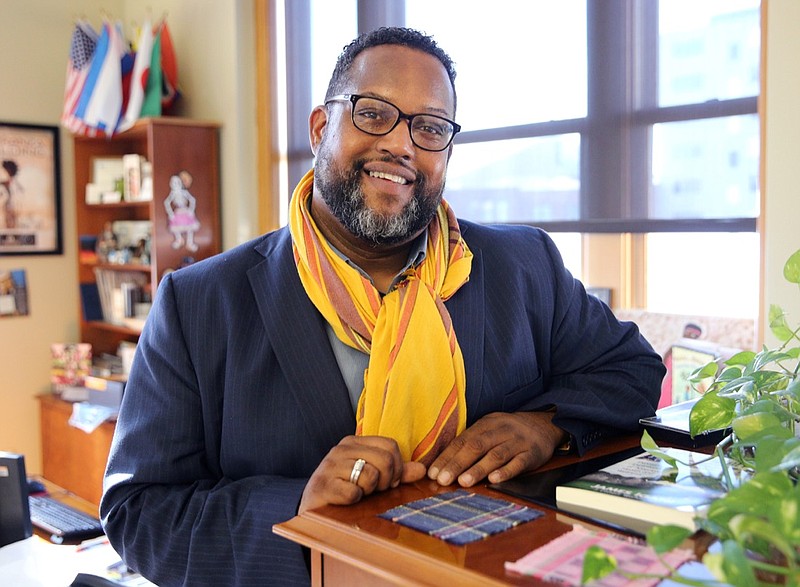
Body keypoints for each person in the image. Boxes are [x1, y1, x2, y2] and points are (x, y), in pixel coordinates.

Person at [100, 27, 664, 586]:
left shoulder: (524, 264)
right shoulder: (199, 304)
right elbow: (137, 512)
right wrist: (298, 504)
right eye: (373, 113)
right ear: (322, 127)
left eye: (430, 128)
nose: (401, 145)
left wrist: (546, 425)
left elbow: (631, 369)